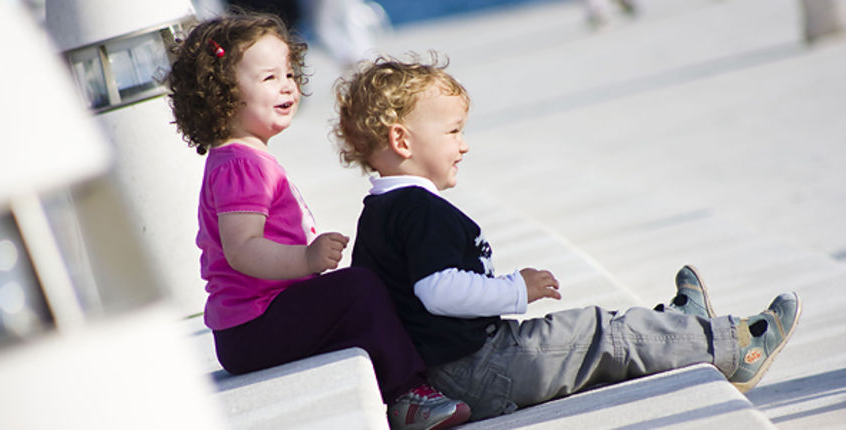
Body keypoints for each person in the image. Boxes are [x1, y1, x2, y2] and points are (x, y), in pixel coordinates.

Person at [332, 53, 802, 422]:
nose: (464, 144)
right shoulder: (418, 209)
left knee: (593, 336)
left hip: (451, 372)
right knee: (601, 334)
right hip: (478, 369)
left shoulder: (378, 213)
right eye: (453, 131)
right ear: (402, 141)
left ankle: (678, 327)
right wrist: (517, 288)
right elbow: (439, 291)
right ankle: (735, 345)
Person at [165, 15, 471, 429]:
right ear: (222, 94)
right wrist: (307, 259)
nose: (287, 86)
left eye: (289, 73)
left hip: (255, 324)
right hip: (252, 327)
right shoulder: (242, 164)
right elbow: (242, 249)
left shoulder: (241, 158)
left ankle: (407, 379)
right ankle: (408, 397)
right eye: (270, 77)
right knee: (359, 288)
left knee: (361, 291)